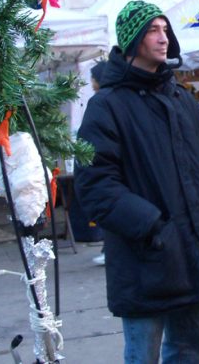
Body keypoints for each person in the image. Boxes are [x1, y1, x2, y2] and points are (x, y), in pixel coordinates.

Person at [74, 0, 199, 363]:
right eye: (153, 30)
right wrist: (152, 227)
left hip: (191, 252)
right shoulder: (107, 105)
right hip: (144, 256)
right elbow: (95, 183)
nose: (164, 38)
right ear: (132, 40)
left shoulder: (181, 100)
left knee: (191, 350)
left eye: (166, 30)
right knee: (142, 356)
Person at [88, 59, 107, 266]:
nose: (91, 82)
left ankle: (109, 249)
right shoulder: (103, 100)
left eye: (92, 78)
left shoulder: (101, 102)